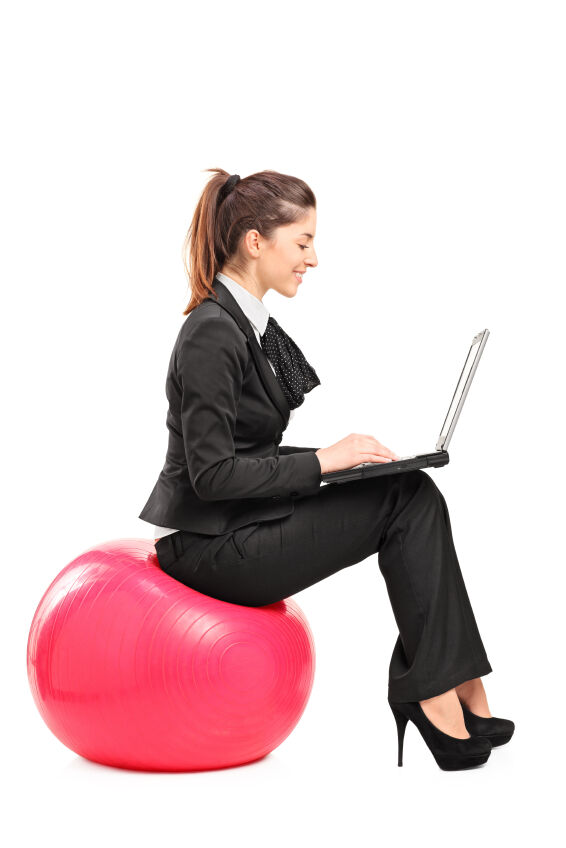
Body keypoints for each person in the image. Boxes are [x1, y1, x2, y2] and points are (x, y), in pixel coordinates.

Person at [139, 168, 514, 770]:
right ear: (255, 242)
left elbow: (244, 452)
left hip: (234, 522)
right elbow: (210, 476)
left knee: (408, 488)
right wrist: (318, 464)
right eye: (303, 241)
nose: (313, 258)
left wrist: (339, 467)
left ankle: (454, 684)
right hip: (205, 547)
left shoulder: (244, 324)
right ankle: (439, 690)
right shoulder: (212, 333)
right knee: (408, 499)